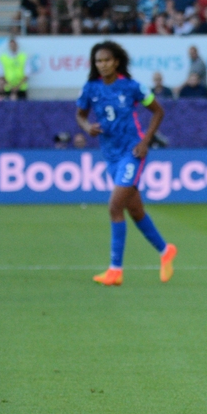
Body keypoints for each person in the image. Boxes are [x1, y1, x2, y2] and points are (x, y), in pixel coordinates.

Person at [75, 41, 176, 287]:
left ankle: (115, 270)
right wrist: (89, 127)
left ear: (116, 62)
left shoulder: (132, 87)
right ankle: (166, 251)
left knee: (114, 207)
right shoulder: (90, 88)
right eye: (98, 61)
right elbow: (80, 115)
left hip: (132, 152)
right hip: (110, 156)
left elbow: (158, 111)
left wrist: (145, 141)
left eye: (107, 60)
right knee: (135, 210)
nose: (102, 64)